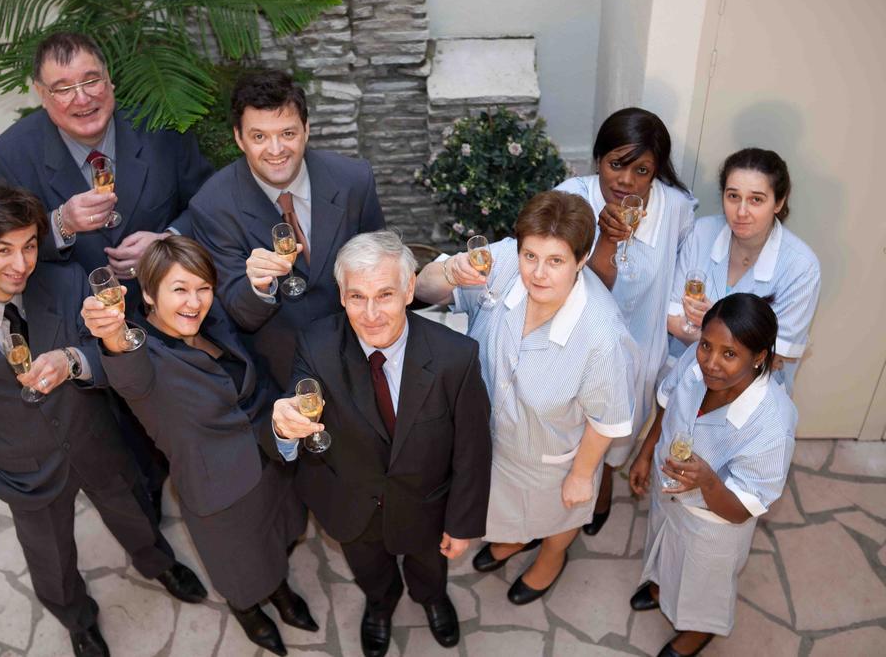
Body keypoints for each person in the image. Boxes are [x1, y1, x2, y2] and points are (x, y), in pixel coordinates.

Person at [0, 182, 206, 657]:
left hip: (95, 440)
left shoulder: (65, 283)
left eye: (28, 246)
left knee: (133, 511)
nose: (21, 264)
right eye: (2, 250)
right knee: (51, 558)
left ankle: (158, 563)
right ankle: (77, 619)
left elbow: (113, 360)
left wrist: (74, 361)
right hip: (24, 473)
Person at [0, 31, 213, 511]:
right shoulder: (12, 152)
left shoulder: (161, 121)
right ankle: (146, 488)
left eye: (91, 80)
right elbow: (7, 252)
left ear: (110, 80)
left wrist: (168, 238)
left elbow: (209, 198)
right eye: (63, 88)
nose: (82, 97)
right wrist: (59, 224)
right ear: (41, 94)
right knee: (117, 422)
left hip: (172, 301)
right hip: (80, 310)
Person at [80, 236, 313, 656]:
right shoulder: (143, 359)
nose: (194, 302)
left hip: (270, 456)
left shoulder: (211, 318)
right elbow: (124, 364)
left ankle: (280, 591)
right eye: (179, 289)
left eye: (203, 287)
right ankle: (248, 612)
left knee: (278, 534)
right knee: (241, 566)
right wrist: (112, 333)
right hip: (219, 488)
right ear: (148, 293)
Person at [271, 231, 491, 657]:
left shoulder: (456, 356)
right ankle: (380, 604)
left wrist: (462, 523)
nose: (371, 314)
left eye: (385, 294)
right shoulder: (315, 345)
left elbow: (473, 448)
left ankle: (431, 598)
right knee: (370, 568)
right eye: (357, 297)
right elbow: (295, 414)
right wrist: (283, 428)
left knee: (429, 566)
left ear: (410, 289)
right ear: (341, 296)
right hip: (349, 501)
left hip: (428, 502)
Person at [415, 191, 638, 606]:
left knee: (559, 512)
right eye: (530, 256)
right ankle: (513, 540)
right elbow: (424, 291)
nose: (537, 273)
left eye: (555, 261)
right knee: (500, 503)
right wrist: (449, 273)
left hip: (551, 459)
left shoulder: (601, 337)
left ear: (581, 260)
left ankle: (552, 556)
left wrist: (581, 474)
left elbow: (607, 420)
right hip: (492, 441)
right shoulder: (498, 262)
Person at [191, 69, 384, 390]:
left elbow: (380, 264)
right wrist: (259, 287)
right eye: (259, 137)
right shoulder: (212, 206)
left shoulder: (354, 181)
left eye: (288, 133)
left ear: (306, 130)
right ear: (239, 138)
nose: (276, 149)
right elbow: (240, 312)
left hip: (359, 353)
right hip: (277, 372)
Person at [628, 293, 796, 657]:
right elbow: (668, 404)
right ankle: (660, 586)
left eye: (729, 354)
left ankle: (698, 632)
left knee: (702, 584)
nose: (711, 363)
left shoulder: (772, 426)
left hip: (712, 526)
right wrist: (645, 453)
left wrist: (707, 481)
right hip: (668, 493)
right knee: (663, 546)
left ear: (760, 358)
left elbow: (740, 511)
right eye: (706, 345)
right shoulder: (696, 362)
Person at [555, 107, 696, 535]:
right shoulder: (570, 200)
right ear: (598, 159)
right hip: (572, 348)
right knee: (564, 442)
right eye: (616, 164)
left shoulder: (675, 209)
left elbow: (684, 272)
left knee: (611, 440)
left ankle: (600, 495)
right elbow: (576, 292)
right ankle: (551, 518)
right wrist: (605, 241)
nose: (626, 181)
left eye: (642, 170)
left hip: (636, 355)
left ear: (656, 174)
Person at [668, 148, 820, 394]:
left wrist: (709, 326)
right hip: (684, 374)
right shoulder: (702, 233)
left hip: (750, 392)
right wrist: (736, 347)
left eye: (756, 200)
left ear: (779, 202)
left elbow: (776, 356)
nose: (741, 211)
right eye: (733, 196)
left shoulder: (801, 267)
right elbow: (671, 318)